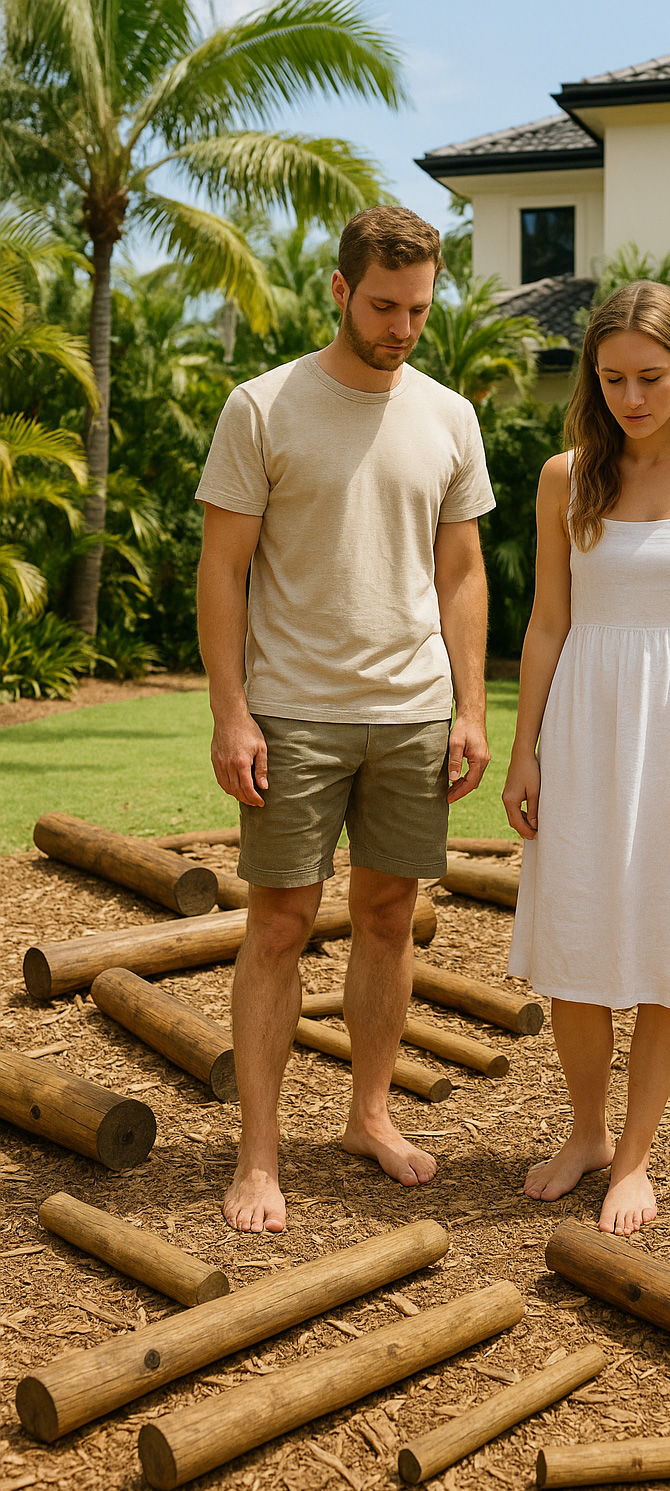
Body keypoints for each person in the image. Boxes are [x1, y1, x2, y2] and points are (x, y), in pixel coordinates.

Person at [196, 206, 496, 1234]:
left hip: (411, 714)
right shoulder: (264, 406)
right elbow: (223, 570)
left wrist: (469, 706)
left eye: (416, 308)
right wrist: (230, 713)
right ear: (339, 289)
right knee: (278, 924)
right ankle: (258, 1156)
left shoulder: (449, 416)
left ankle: (370, 1116)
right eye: (382, 305)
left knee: (385, 918)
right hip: (292, 712)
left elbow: (461, 572)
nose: (401, 326)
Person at [502, 280, 670, 1237]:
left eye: (651, 377)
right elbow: (545, 624)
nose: (631, 396)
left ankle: (635, 1155)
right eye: (612, 378)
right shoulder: (564, 476)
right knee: (577, 930)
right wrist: (523, 752)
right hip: (584, 722)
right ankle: (584, 1133)